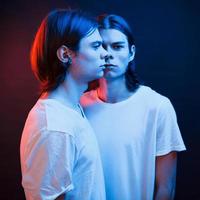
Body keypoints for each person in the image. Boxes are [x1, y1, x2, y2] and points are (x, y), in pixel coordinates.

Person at [81, 14, 186, 200]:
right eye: (100, 46)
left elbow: (165, 188)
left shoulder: (157, 107)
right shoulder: (79, 106)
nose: (108, 54)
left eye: (117, 46)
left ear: (131, 52)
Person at [20, 9, 108, 200]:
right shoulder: (55, 125)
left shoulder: (71, 110)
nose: (105, 54)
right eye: (95, 46)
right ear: (65, 54)